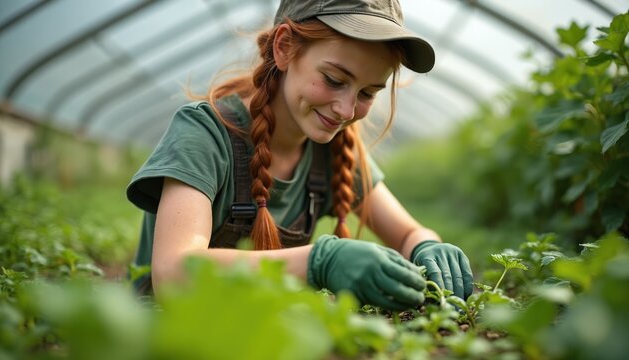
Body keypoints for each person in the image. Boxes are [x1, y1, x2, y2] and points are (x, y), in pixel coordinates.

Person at [127, 0, 474, 311]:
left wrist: (427, 246)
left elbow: (407, 233)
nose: (345, 110)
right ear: (284, 48)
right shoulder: (203, 135)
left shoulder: (335, 150)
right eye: (334, 79)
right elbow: (174, 275)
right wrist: (317, 263)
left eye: (368, 92)